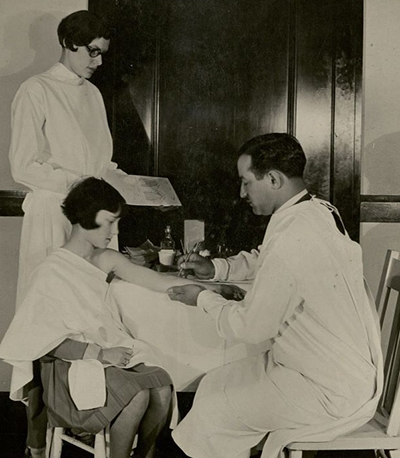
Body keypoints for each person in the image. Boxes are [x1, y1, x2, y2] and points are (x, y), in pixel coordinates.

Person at [167, 133, 383, 458]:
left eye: (246, 183)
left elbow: (251, 328)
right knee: (214, 382)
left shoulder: (295, 231)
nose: (242, 194)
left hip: (325, 386)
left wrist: (202, 297)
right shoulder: (317, 210)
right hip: (332, 369)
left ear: (273, 179)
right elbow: (267, 258)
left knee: (215, 409)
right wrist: (216, 269)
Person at [0, 177, 232, 458]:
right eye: (110, 221)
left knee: (160, 387)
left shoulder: (105, 258)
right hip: (68, 366)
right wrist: (99, 353)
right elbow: (40, 343)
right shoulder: (51, 270)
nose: (116, 230)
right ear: (86, 216)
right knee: (137, 396)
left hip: (108, 353)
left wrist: (214, 288)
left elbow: (156, 281)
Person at [8, 11, 123, 456]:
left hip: (91, 219)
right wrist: (79, 185)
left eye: (102, 53)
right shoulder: (35, 89)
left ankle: (89, 420)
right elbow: (24, 165)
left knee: (89, 316)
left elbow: (100, 161)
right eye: (90, 51)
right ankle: (37, 439)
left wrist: (120, 181)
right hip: (52, 217)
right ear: (66, 43)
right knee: (46, 322)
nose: (97, 60)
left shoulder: (92, 95)